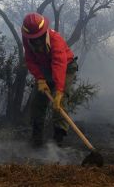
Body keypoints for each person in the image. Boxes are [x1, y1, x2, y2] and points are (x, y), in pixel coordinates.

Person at [21, 12, 78, 147]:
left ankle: (58, 141)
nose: (36, 41)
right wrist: (40, 79)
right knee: (37, 102)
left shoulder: (55, 39)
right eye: (33, 38)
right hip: (45, 70)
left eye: (39, 37)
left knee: (60, 103)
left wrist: (58, 91)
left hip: (66, 68)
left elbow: (59, 63)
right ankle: (36, 140)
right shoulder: (26, 38)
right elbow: (30, 59)